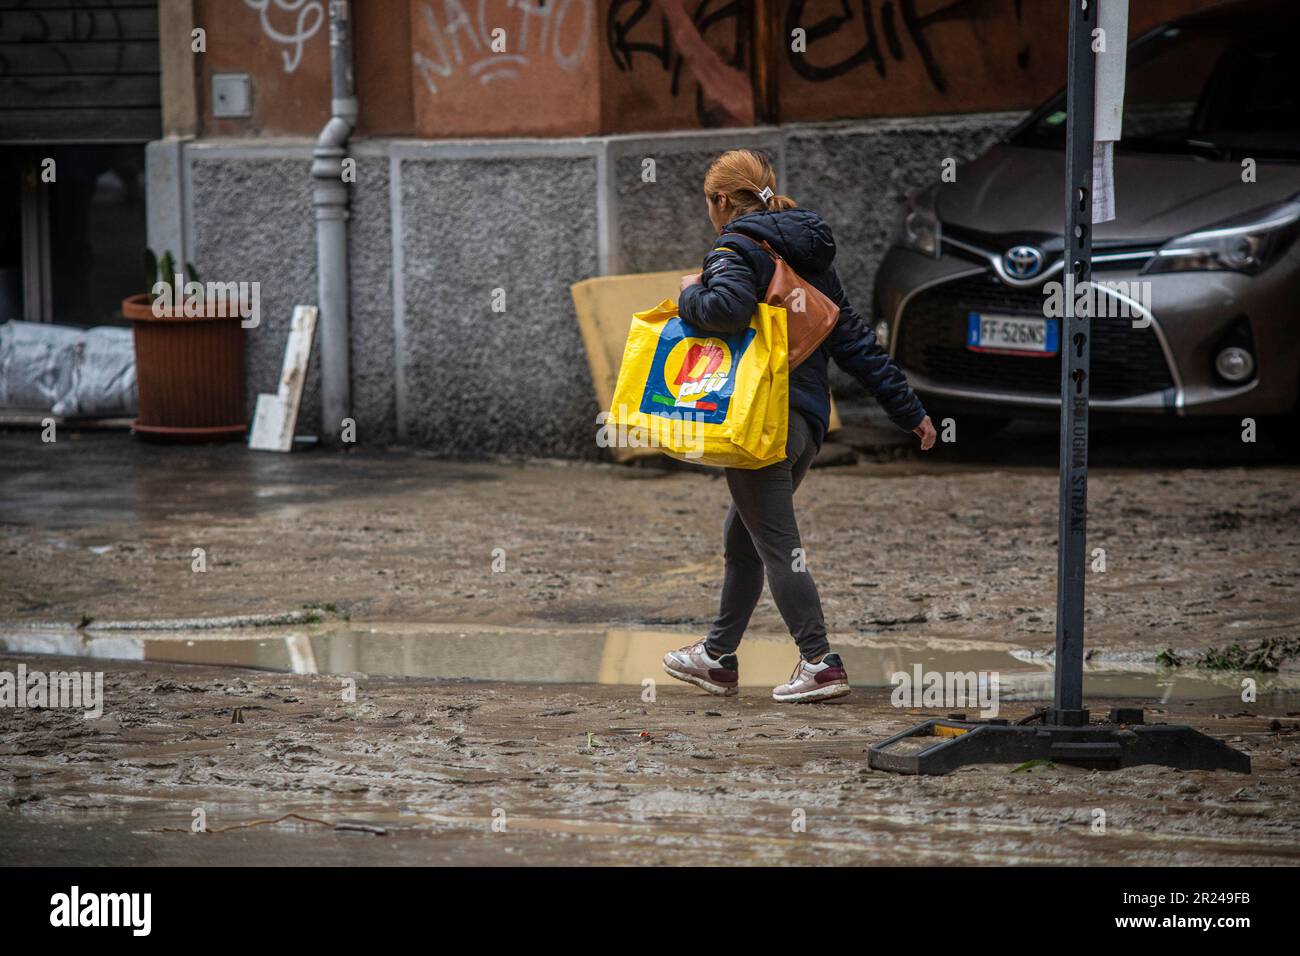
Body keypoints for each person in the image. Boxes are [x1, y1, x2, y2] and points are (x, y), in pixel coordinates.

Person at [661, 148, 937, 703]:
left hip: (760, 423)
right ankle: (717, 657)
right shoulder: (805, 253)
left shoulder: (735, 247)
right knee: (744, 538)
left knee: (780, 547)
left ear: (720, 201)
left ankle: (820, 663)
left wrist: (688, 294)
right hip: (806, 424)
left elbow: (725, 309)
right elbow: (856, 340)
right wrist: (911, 412)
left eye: (709, 203)